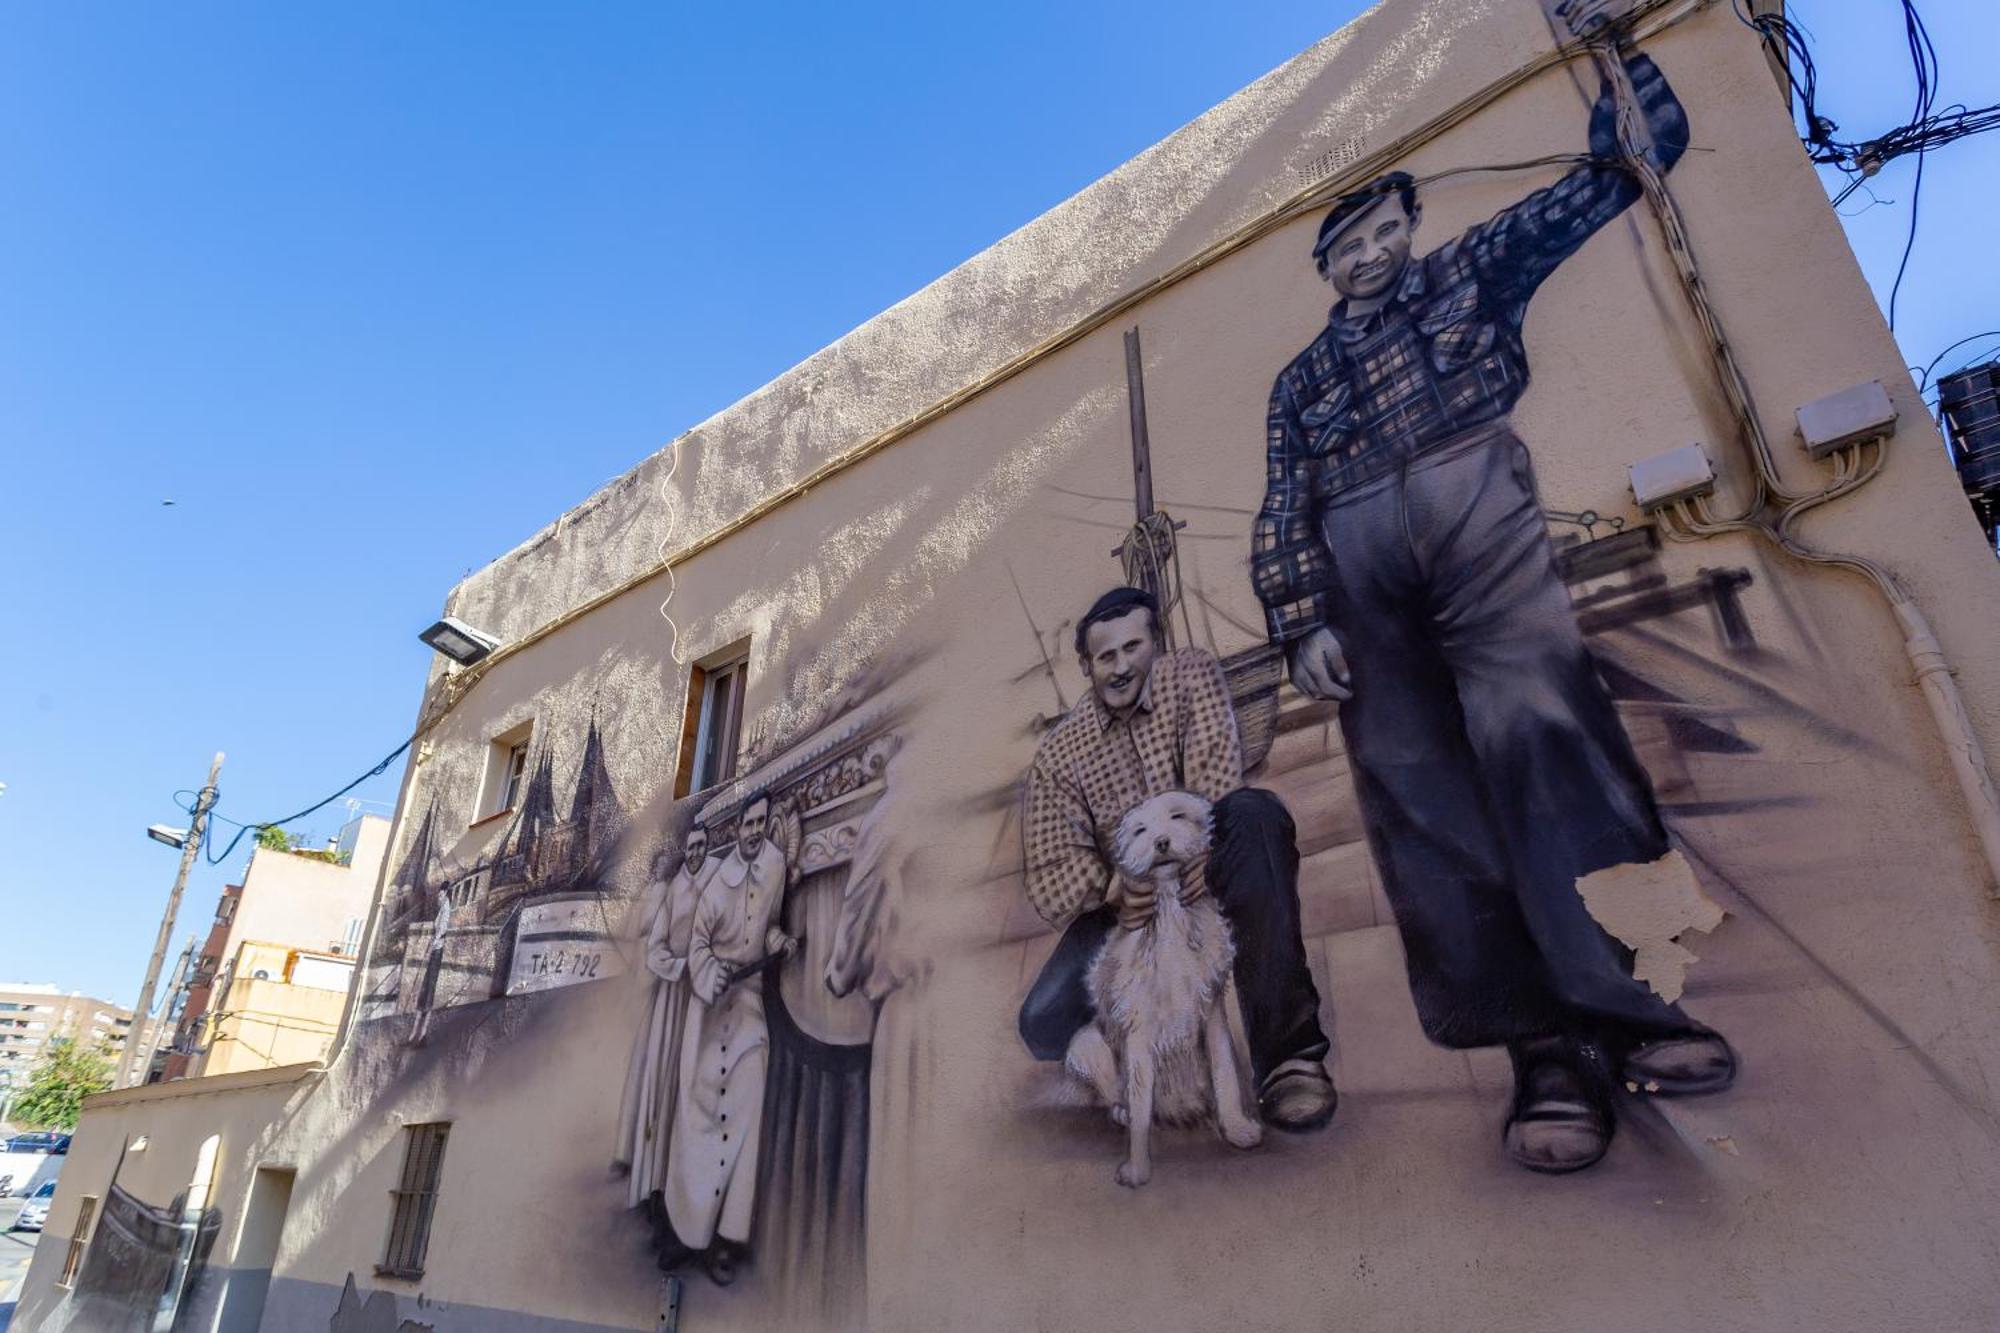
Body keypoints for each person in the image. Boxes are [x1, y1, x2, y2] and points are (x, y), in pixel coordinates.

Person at [1249, 51, 1733, 1173]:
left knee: (1547, 739)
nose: (1364, 255)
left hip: (1480, 520)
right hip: (1359, 572)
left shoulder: (1474, 269)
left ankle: (1640, 1008)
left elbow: (1618, 166)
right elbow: (1284, 503)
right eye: (1342, 247)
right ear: (1323, 270)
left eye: (1378, 231)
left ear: (1407, 226)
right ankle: (1539, 1052)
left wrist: (1616, 48)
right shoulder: (1298, 380)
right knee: (1420, 797)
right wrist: (1296, 618)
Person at [1018, 586, 1336, 1131]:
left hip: (1203, 868)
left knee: (1254, 812)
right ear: (1086, 666)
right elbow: (1051, 867)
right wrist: (1114, 889)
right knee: (1041, 1021)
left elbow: (1216, 782)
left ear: (1155, 644)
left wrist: (1197, 857)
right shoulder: (1058, 753)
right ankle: (1140, 1066)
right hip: (1127, 902)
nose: (1120, 668)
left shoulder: (1190, 675)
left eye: (1132, 648)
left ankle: (1289, 1060)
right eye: (1105, 657)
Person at [658, 792, 797, 1285]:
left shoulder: (777, 866)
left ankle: (726, 1238)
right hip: (711, 1003)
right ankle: (686, 1230)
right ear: (738, 829)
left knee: (745, 1108)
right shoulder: (718, 882)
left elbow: (772, 925)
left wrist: (780, 941)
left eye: (762, 822)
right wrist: (708, 971)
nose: (755, 830)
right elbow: (697, 941)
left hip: (749, 1004)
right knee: (697, 1118)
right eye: (749, 823)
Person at [614, 828, 713, 1215]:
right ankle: (650, 1180)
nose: (695, 854)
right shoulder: (667, 893)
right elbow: (649, 942)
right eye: (691, 848)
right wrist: (678, 966)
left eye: (701, 847)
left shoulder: (712, 880)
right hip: (668, 994)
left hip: (698, 992)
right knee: (657, 1079)